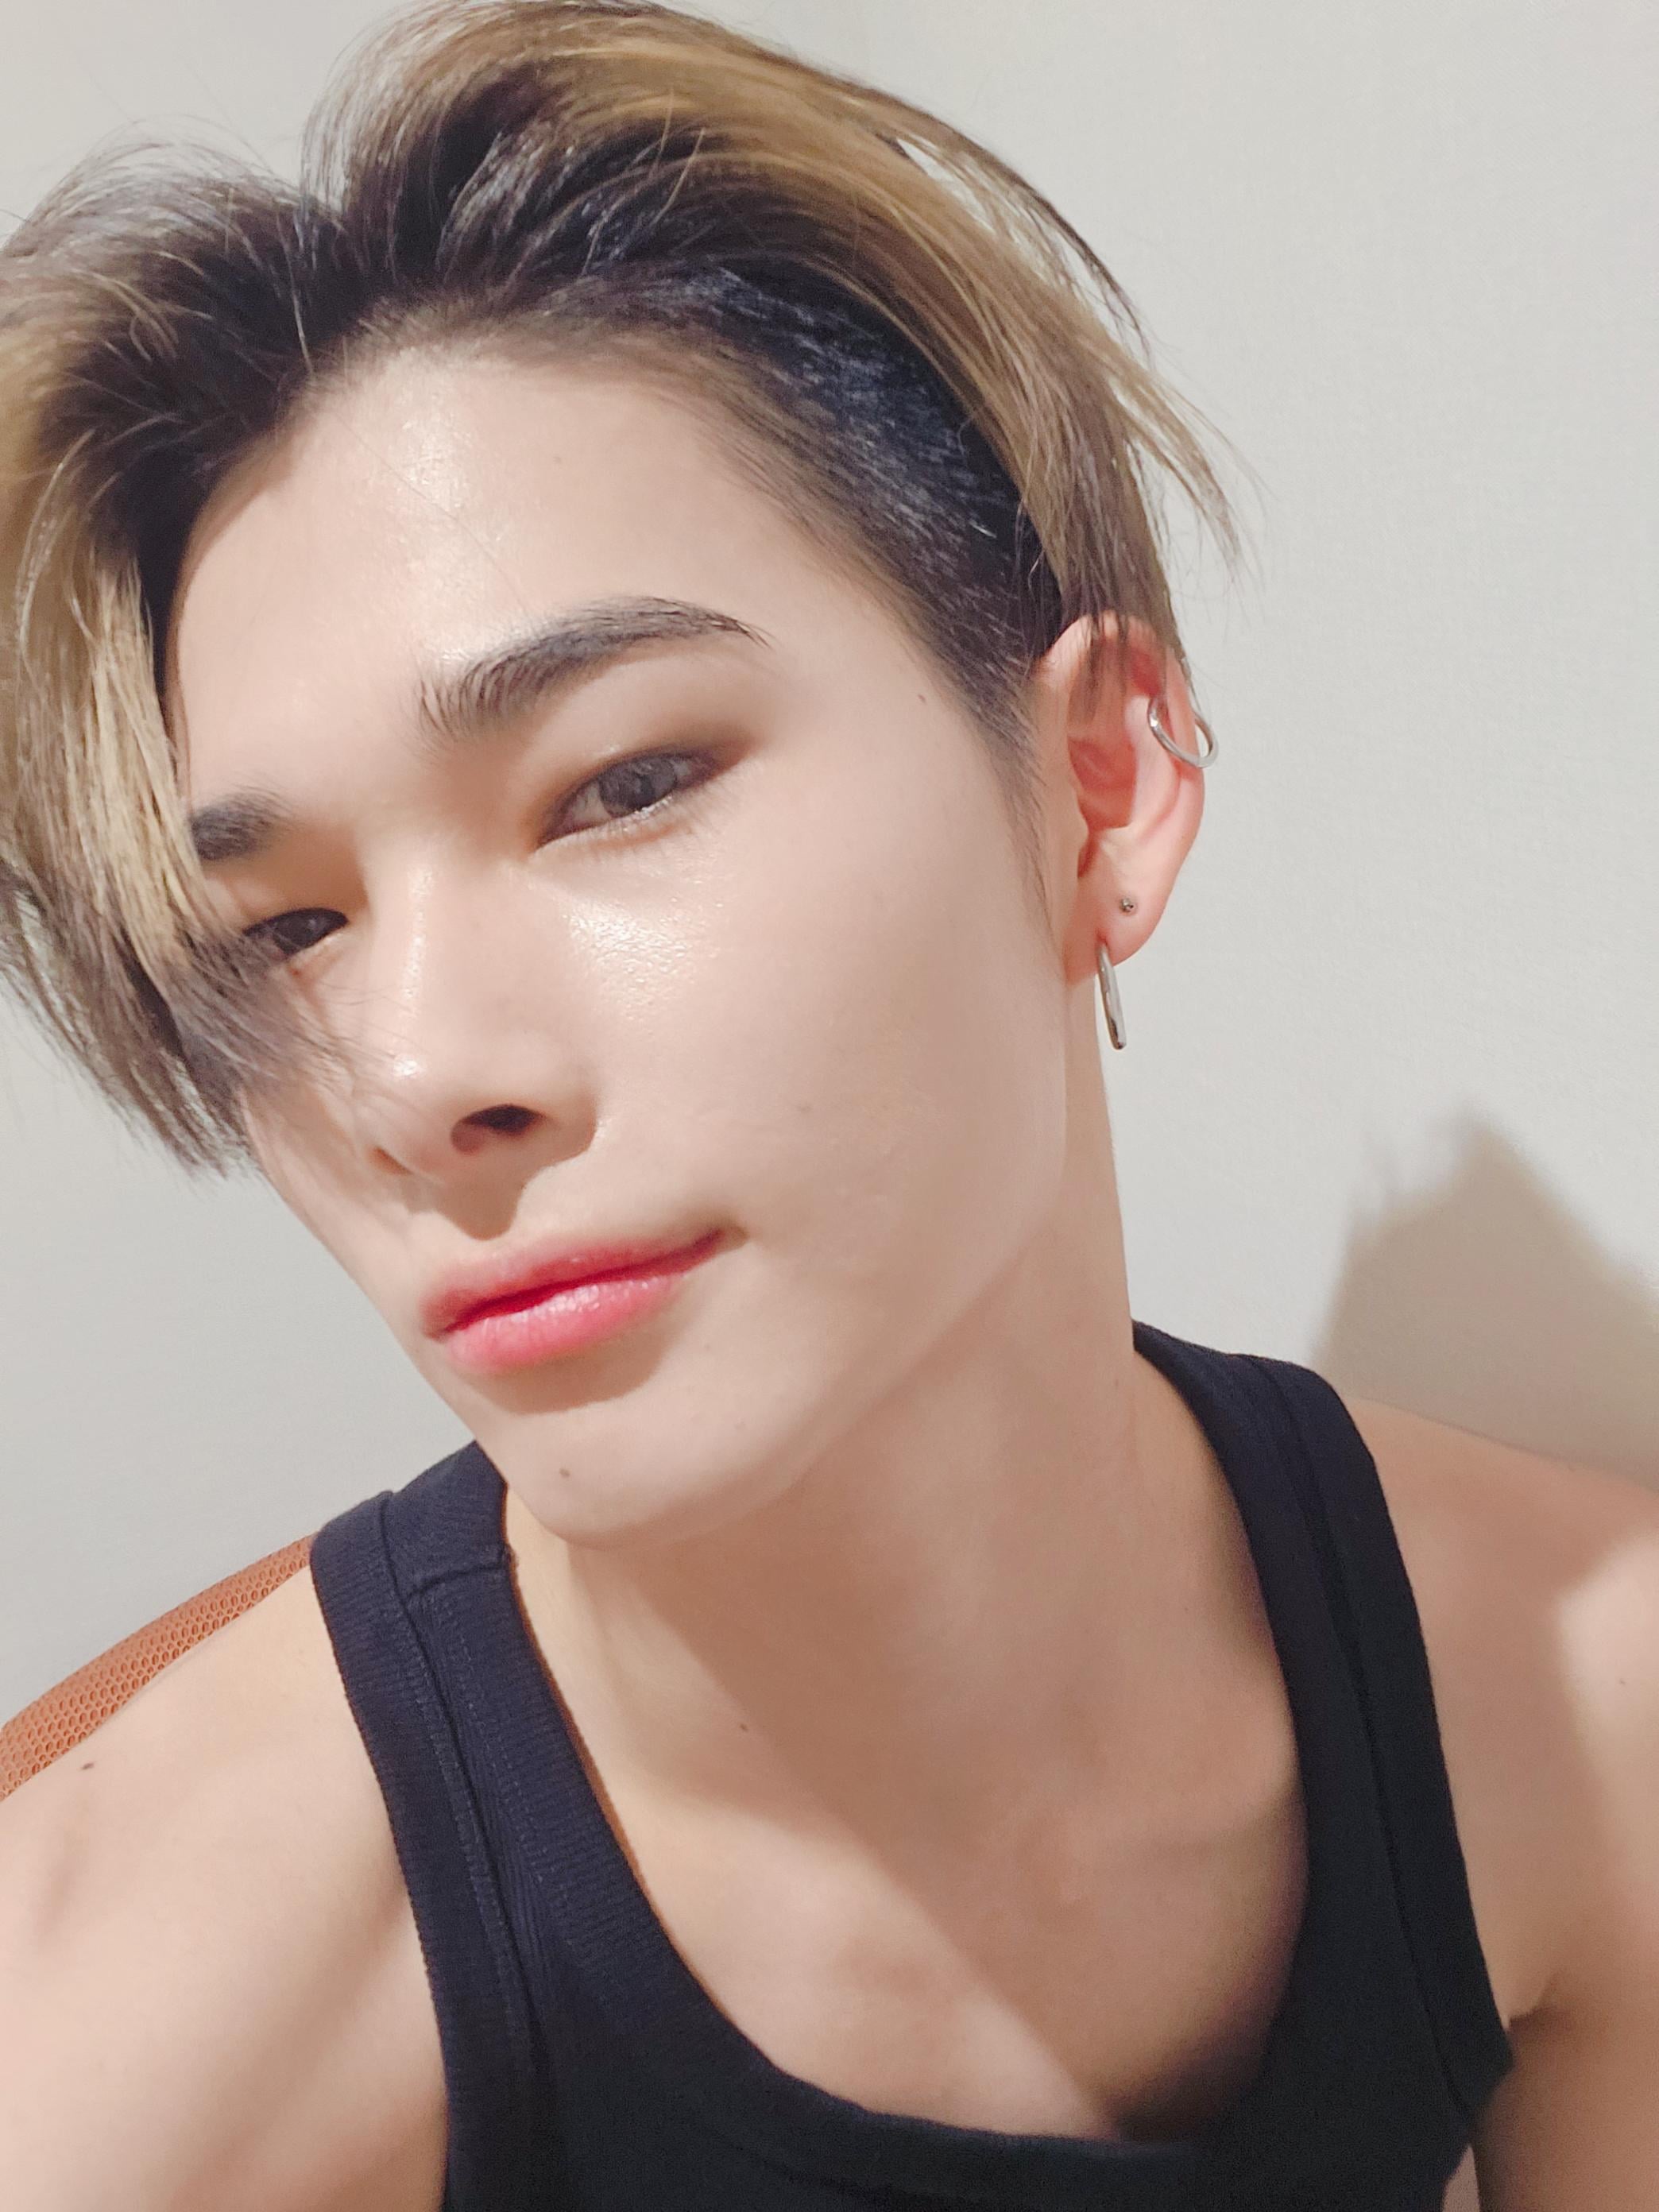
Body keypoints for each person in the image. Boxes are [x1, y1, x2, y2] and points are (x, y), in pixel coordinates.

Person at [0, 2, 1654, 2205]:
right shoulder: (122, 2033)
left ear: (1098, 784)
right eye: (287, 928)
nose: (414, 1077)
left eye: (623, 785)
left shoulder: (1583, 1717)